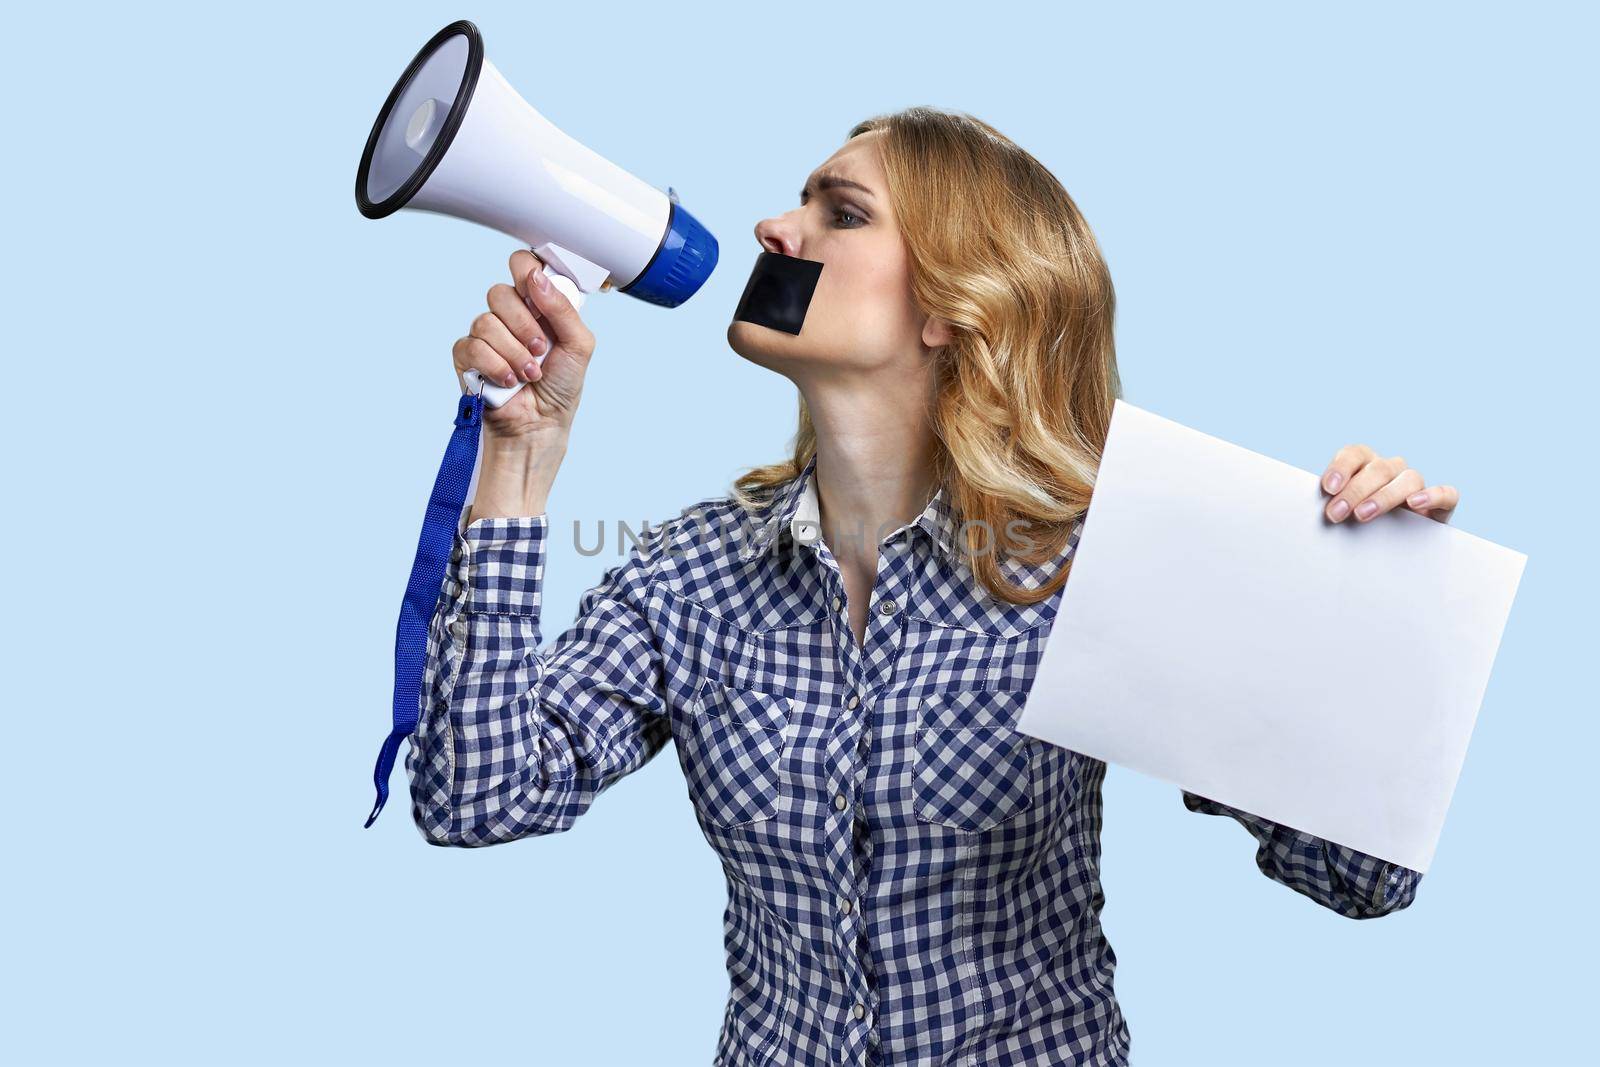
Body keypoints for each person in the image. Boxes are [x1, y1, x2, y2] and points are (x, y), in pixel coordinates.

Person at [405, 106, 1456, 1066]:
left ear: (953, 306)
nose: (775, 226)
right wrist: (522, 453)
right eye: (800, 198)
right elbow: (476, 797)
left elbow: (1360, 878)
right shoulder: (694, 572)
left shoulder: (1093, 565)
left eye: (840, 211)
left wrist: (1358, 605)